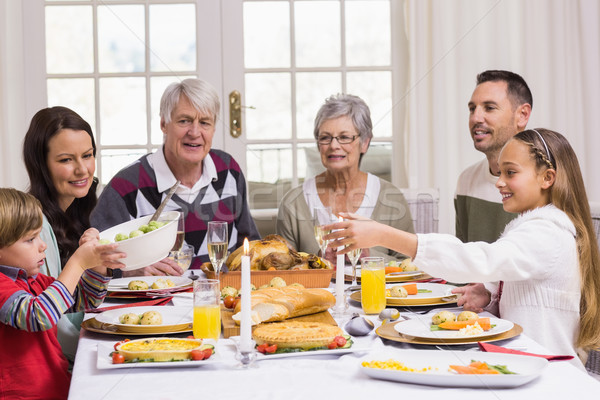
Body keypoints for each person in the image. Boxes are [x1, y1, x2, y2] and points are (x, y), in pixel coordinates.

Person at [327, 129, 600, 369]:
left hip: (550, 372)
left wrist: (384, 234)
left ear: (547, 178)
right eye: (500, 172)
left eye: (511, 172)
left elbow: (479, 259)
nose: (499, 182)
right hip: (525, 360)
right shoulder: (537, 228)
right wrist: (490, 294)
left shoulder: (547, 233)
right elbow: (524, 279)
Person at [90, 78, 260, 274]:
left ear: (213, 129)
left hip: (223, 299)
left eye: (204, 122)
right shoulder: (126, 186)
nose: (194, 132)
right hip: (155, 302)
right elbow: (92, 261)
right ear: (164, 124)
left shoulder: (228, 170)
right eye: (184, 121)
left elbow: (250, 243)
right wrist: (132, 270)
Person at [0, 188, 125, 399]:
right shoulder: (3, 286)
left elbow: (87, 299)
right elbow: (38, 316)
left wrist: (97, 264)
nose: (43, 246)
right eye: (30, 239)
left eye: (39, 235)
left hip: (55, 388)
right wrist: (78, 263)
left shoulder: (34, 281)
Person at [23, 106, 116, 362]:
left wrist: (97, 266)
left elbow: (78, 304)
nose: (82, 169)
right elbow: (44, 316)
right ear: (41, 165)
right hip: (50, 366)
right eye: (66, 160)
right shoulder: (34, 226)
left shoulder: (74, 213)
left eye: (87, 155)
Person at [277, 93, 414, 263]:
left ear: (364, 143)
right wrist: (318, 261)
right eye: (325, 138)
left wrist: (369, 257)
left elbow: (409, 264)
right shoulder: (293, 202)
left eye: (344, 137)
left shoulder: (391, 197)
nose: (334, 145)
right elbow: (282, 271)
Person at [454, 70, 533, 311]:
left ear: (522, 115)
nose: (476, 117)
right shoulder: (466, 180)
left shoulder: (543, 183)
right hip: (476, 322)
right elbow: (463, 265)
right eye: (472, 108)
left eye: (489, 108)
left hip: (526, 321)